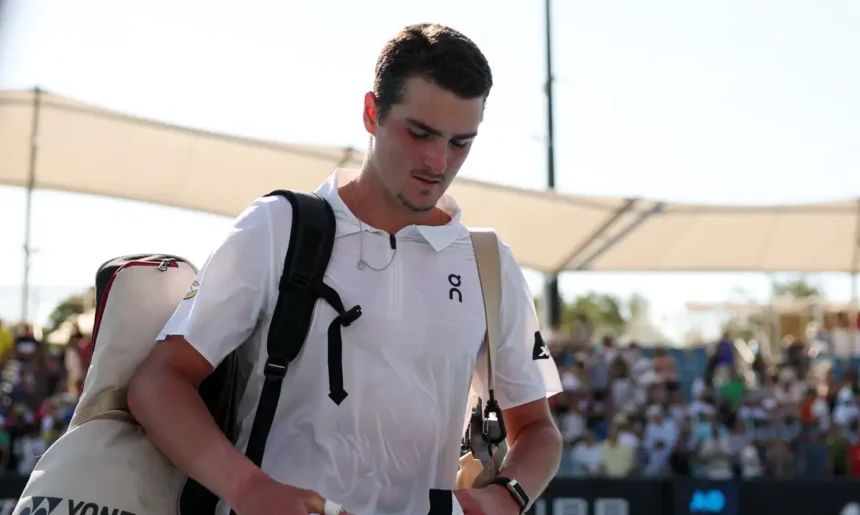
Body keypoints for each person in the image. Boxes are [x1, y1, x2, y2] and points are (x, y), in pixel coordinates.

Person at [128, 23, 563, 515]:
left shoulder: (489, 262)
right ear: (371, 113)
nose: (438, 162)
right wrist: (247, 488)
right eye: (419, 133)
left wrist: (507, 496)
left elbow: (538, 429)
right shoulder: (277, 226)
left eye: (460, 142)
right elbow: (158, 383)